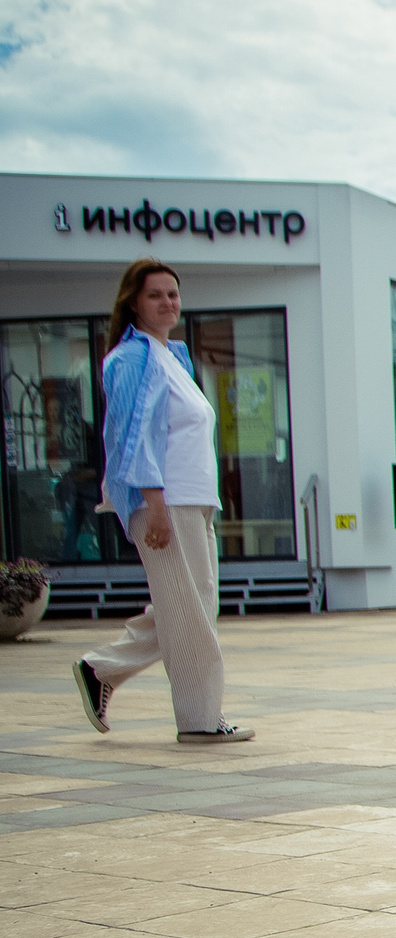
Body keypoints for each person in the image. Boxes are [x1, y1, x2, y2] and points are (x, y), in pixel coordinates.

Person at [72, 258, 254, 744]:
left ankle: (100, 670)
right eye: (156, 294)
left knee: (190, 607)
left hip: (192, 501)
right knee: (190, 615)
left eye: (173, 294)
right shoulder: (130, 359)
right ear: (134, 301)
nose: (168, 302)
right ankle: (199, 720)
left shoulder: (172, 355)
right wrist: (152, 503)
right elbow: (132, 437)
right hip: (165, 502)